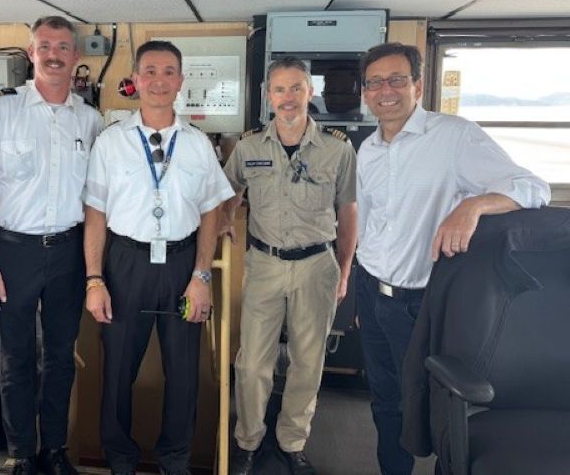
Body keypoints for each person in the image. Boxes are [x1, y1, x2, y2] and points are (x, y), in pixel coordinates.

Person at [355, 42, 551, 475]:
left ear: (417, 85)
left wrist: (474, 205)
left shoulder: (454, 137)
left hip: (422, 302)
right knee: (385, 399)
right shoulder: (367, 149)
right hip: (371, 292)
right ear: (365, 92)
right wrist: (357, 288)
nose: (385, 90)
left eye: (396, 80)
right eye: (374, 82)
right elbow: (369, 222)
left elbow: (534, 188)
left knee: (434, 405)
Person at [84, 40, 234, 475]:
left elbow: (211, 209)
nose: (159, 80)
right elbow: (95, 214)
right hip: (125, 265)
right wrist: (95, 280)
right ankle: (121, 461)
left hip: (182, 266)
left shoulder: (198, 144)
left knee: (184, 375)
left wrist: (202, 275)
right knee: (116, 376)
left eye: (169, 72)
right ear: (134, 79)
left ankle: (175, 460)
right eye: (149, 71)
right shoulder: (110, 143)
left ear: (181, 81)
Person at [0, 16, 103, 475]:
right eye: (44, 45)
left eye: (63, 46)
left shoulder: (91, 119)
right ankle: (23, 453)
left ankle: (55, 450)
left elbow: (100, 198)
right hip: (13, 253)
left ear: (76, 57)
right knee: (15, 358)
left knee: (61, 357)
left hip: (68, 251)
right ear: (30, 53)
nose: (53, 53)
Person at [223, 57, 357, 475]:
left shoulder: (338, 147)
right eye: (279, 89)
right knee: (252, 363)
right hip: (264, 262)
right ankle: (247, 439)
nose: (287, 97)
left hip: (317, 264)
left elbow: (348, 209)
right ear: (268, 95)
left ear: (310, 92)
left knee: (307, 360)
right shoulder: (248, 146)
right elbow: (229, 190)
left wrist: (345, 267)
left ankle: (291, 441)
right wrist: (228, 216)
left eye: (296, 88)